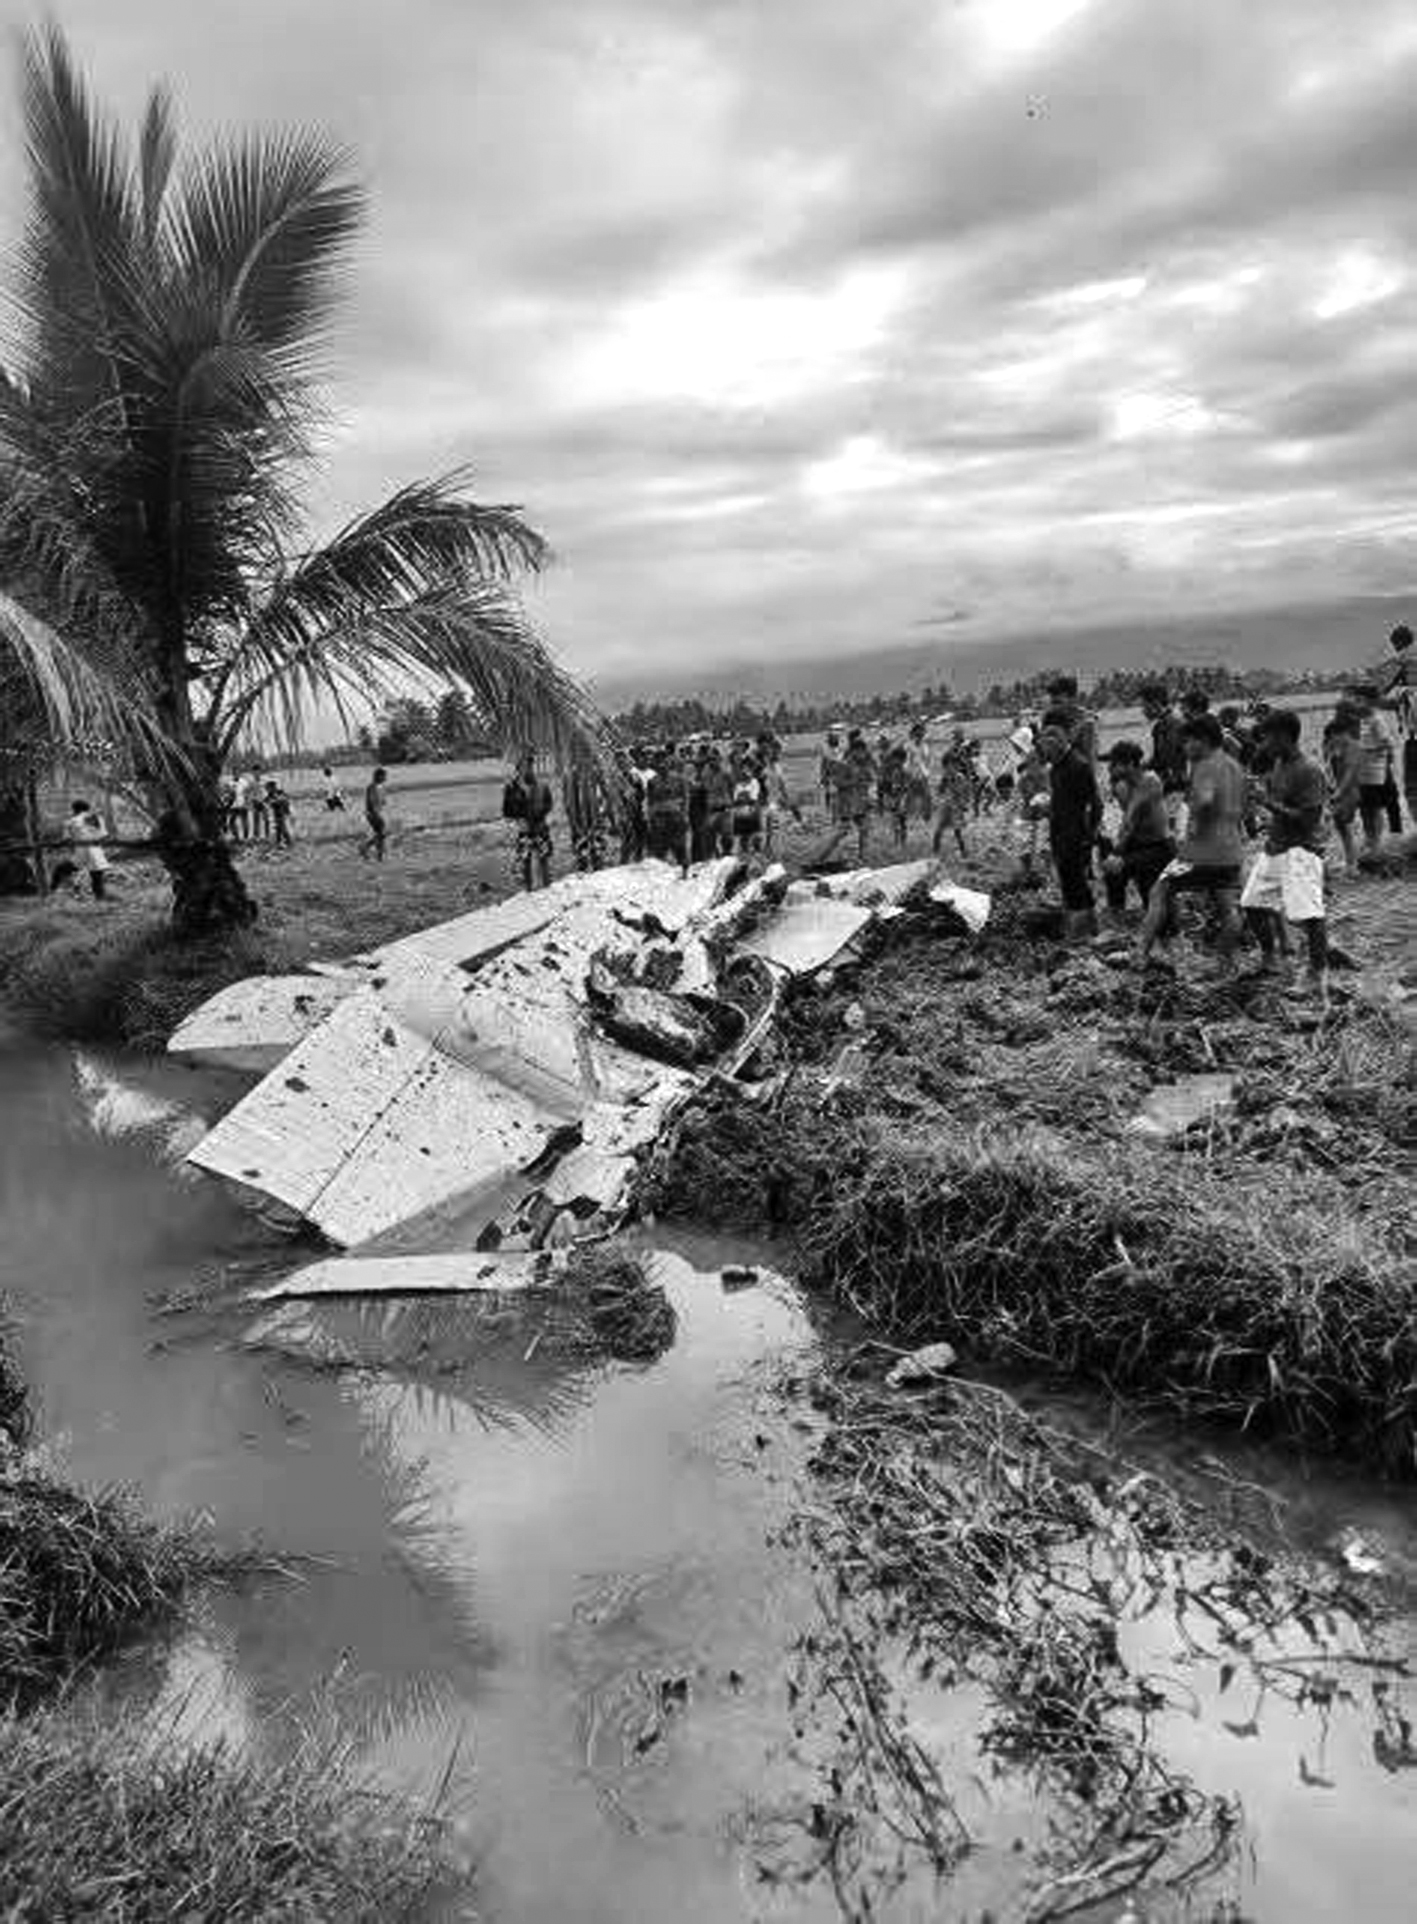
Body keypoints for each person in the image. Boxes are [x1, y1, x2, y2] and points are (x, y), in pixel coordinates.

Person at [1135, 713, 1246, 971]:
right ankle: (1226, 961)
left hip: (1201, 852)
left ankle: (1141, 953)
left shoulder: (1206, 765)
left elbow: (1205, 801)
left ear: (1203, 740)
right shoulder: (1233, 765)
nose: (1184, 748)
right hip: (1230, 850)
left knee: (1159, 890)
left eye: (1187, 742)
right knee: (1228, 908)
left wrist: (1192, 822)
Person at [1241, 709, 1329, 997]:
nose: (1263, 744)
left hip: (1301, 851)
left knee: (1309, 915)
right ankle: (1271, 958)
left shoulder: (1309, 770)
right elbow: (1282, 806)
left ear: (1282, 737)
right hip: (1276, 847)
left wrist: (1267, 803)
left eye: (1266, 737)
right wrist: (1267, 809)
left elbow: (1308, 819)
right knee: (1252, 905)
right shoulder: (1278, 763)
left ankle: (1317, 974)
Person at [1037, 709, 1101, 938]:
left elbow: (1095, 804)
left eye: (1054, 734)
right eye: (1045, 735)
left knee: (1075, 884)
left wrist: (1089, 836)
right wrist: (1048, 809)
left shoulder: (1078, 765)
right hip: (1060, 833)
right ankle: (1092, 930)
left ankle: (1076, 936)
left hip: (1075, 836)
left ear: (1067, 736)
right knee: (1071, 882)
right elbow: (1063, 803)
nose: (1049, 740)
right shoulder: (1055, 769)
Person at [1100, 741, 1173, 919]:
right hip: (1138, 842)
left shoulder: (1150, 780)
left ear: (1131, 764)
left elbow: (1129, 820)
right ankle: (1116, 914)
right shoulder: (1125, 785)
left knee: (1148, 890)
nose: (1110, 767)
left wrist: (1117, 853)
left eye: (1115, 764)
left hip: (1159, 846)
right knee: (1113, 872)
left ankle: (1166, 929)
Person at [1346, 687, 1397, 856]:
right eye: (1355, 700)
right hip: (1362, 773)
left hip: (1375, 772)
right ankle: (1369, 840)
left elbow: (1387, 744)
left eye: (1359, 700)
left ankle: (1376, 844)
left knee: (1374, 809)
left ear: (1369, 701)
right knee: (1364, 809)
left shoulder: (1377, 720)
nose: (1356, 703)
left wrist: (1366, 750)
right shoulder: (1361, 721)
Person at [1140, 682, 1188, 838]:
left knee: (1170, 831)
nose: (1143, 711)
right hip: (1171, 785)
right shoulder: (1162, 725)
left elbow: (1169, 759)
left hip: (1177, 787)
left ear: (1155, 703)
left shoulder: (1172, 724)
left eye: (1144, 706)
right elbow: (1159, 759)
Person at [502, 749, 554, 890]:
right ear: (518, 768)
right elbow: (506, 811)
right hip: (524, 830)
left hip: (540, 827)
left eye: (530, 766)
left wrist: (540, 815)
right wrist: (519, 820)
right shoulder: (511, 788)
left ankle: (547, 889)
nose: (528, 769)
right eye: (524, 766)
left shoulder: (542, 786)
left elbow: (549, 804)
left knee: (544, 859)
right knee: (525, 861)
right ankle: (528, 891)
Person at [1323, 711, 1363, 876]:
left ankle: (1351, 865)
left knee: (1336, 828)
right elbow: (1329, 769)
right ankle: (1350, 864)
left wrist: (1338, 792)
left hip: (1348, 793)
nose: (1330, 741)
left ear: (1340, 734)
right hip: (1338, 792)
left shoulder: (1353, 746)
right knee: (1341, 828)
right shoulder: (1337, 747)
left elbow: (1351, 772)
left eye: (1332, 737)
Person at [563, 750, 611, 872]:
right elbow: (568, 802)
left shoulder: (598, 773)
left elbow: (606, 795)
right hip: (578, 823)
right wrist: (574, 822)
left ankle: (599, 877)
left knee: (599, 856)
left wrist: (604, 813)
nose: (584, 759)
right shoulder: (569, 776)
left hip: (597, 821)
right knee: (582, 857)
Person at [644, 747, 690, 874]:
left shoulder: (680, 779)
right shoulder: (652, 781)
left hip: (676, 817)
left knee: (680, 848)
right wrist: (650, 819)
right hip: (659, 819)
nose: (661, 764)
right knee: (659, 851)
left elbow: (686, 799)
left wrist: (685, 816)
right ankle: (661, 878)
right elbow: (650, 802)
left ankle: (685, 875)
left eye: (664, 761)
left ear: (669, 762)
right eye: (658, 761)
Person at [931, 732, 973, 861]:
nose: (950, 768)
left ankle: (963, 850)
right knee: (939, 829)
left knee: (957, 831)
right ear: (944, 766)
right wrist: (937, 800)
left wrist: (964, 804)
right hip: (946, 805)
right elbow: (940, 790)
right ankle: (935, 851)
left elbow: (966, 791)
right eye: (948, 766)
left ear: (957, 766)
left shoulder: (960, 777)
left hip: (956, 806)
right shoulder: (945, 777)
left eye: (953, 765)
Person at [758, 738, 801, 854]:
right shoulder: (764, 768)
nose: (778, 754)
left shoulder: (777, 766)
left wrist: (787, 799)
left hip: (775, 801)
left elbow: (782, 785)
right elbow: (763, 787)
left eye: (778, 751)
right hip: (769, 802)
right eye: (776, 751)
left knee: (776, 830)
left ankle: (772, 850)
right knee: (771, 829)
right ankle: (768, 850)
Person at [68, 799, 110, 900]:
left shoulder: (71, 821)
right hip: (95, 849)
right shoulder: (96, 818)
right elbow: (104, 835)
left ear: (75, 810)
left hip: (80, 849)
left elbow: (68, 839)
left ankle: (78, 894)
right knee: (97, 875)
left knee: (78, 872)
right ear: (87, 809)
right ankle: (99, 897)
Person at [730, 754, 765, 856]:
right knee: (743, 839)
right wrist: (743, 799)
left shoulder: (754, 782)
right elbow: (735, 800)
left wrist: (743, 799)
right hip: (740, 815)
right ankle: (745, 857)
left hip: (752, 814)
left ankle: (757, 857)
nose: (744, 771)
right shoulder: (738, 785)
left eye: (747, 768)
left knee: (755, 838)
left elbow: (752, 799)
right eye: (742, 769)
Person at [879, 744, 911, 850]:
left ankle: (902, 842)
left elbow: (906, 788)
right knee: (896, 822)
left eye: (897, 759)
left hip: (902, 800)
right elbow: (890, 786)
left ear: (903, 760)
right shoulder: (894, 771)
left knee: (901, 822)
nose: (894, 761)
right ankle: (897, 842)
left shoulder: (904, 772)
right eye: (894, 759)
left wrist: (901, 800)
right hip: (895, 799)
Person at [359, 766, 389, 862]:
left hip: (378, 813)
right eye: (383, 776)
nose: (385, 778)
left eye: (385, 776)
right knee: (382, 833)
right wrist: (376, 814)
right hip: (372, 814)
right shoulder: (371, 787)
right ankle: (370, 850)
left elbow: (383, 801)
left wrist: (383, 802)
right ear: (378, 776)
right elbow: (371, 803)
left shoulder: (382, 787)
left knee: (381, 835)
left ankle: (373, 852)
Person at [818, 727, 845, 821]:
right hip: (834, 778)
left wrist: (823, 777)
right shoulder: (839, 752)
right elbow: (824, 766)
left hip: (834, 778)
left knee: (833, 797)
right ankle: (835, 816)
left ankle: (834, 816)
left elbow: (824, 767)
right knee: (834, 797)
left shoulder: (834, 752)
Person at [265, 779, 293, 849]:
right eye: (267, 789)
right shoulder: (269, 796)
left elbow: (286, 799)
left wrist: (279, 800)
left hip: (283, 813)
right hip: (275, 815)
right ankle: (279, 842)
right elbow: (267, 803)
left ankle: (287, 841)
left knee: (283, 828)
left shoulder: (280, 792)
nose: (268, 790)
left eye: (269, 788)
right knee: (278, 828)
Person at [246, 766, 269, 841]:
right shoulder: (251, 782)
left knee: (266, 819)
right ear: (252, 773)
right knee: (256, 820)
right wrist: (251, 800)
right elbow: (248, 792)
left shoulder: (264, 781)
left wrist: (266, 800)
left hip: (264, 802)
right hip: (255, 802)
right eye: (255, 772)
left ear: (260, 772)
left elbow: (267, 790)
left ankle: (267, 836)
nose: (256, 773)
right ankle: (257, 837)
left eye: (258, 771)